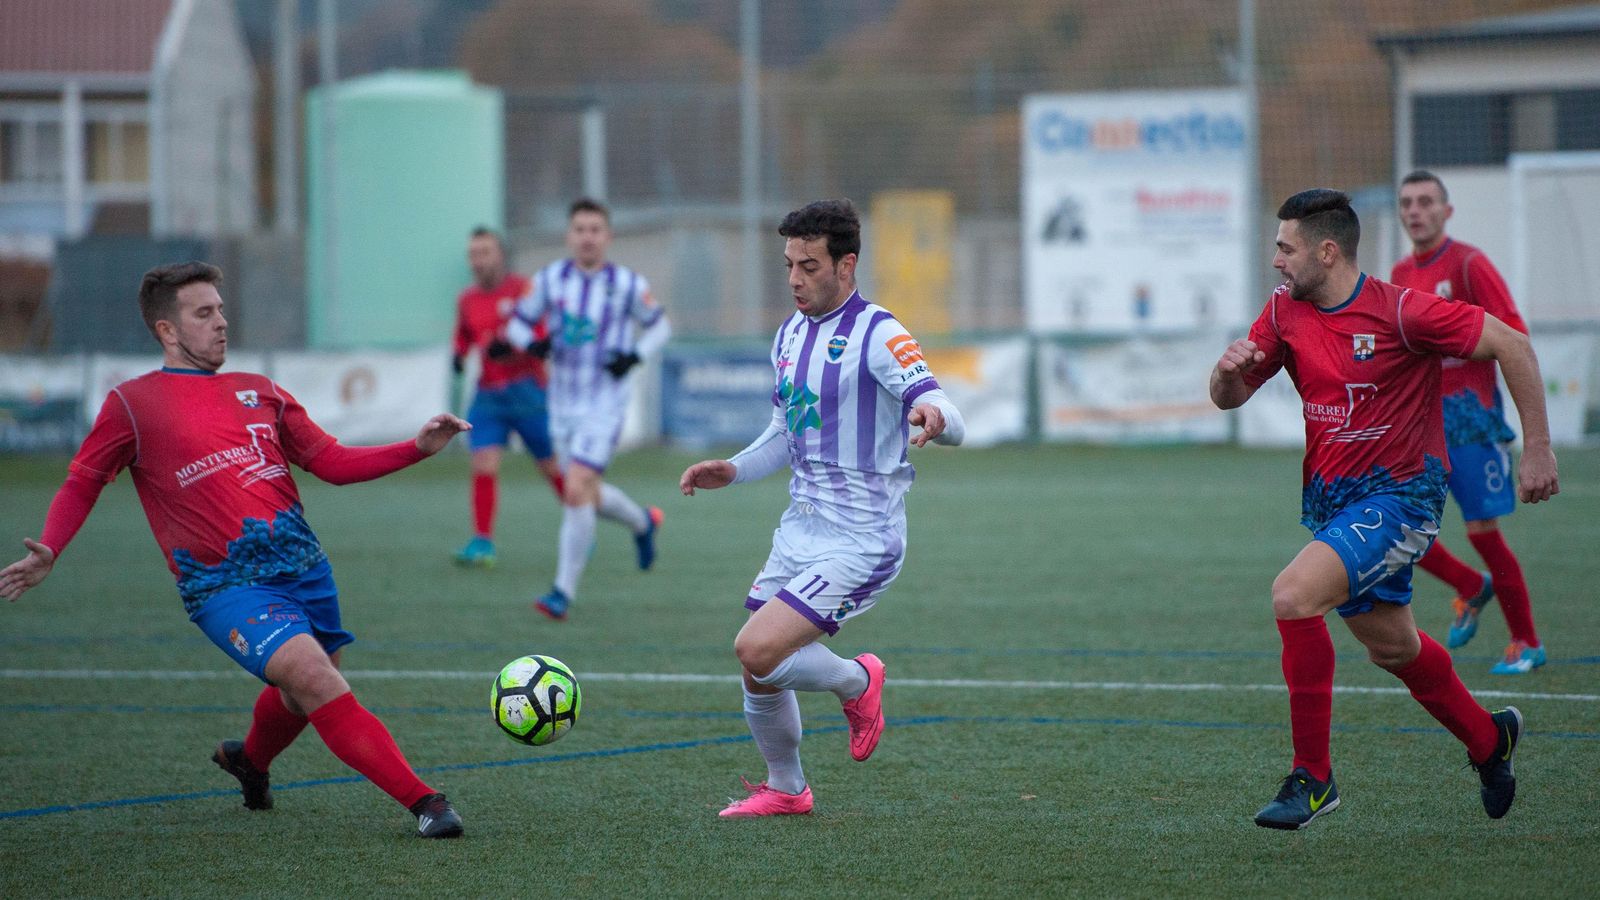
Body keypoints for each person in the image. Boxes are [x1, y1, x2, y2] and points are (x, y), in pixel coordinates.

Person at [0, 262, 471, 838]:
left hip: (306, 570)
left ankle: (249, 760)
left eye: (221, 309)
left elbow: (331, 462)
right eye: (204, 313)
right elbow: (83, 480)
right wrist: (50, 546)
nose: (222, 322)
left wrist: (417, 448)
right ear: (167, 331)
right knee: (314, 679)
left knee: (302, 695)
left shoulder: (261, 390)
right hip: (223, 587)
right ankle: (428, 803)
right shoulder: (133, 404)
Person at [1209, 189, 1558, 830]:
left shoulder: (1402, 313)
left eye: (1286, 248)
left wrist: (1536, 447)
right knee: (1394, 649)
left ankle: (1314, 779)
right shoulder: (1285, 311)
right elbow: (1230, 398)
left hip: (1402, 498)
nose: (1277, 261)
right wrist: (1227, 372)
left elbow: (1511, 343)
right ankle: (1490, 741)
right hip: (1334, 502)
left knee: (1292, 595)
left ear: (1327, 250)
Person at [678, 199, 965, 817]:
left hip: (862, 537)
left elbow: (949, 410)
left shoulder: (879, 332)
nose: (794, 279)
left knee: (756, 650)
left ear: (846, 263)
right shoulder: (787, 335)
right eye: (788, 265)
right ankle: (786, 789)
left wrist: (934, 417)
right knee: (759, 671)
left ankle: (859, 680)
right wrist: (733, 468)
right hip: (800, 528)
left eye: (808, 266)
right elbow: (785, 431)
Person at [1390, 171, 1544, 674]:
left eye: (1426, 201)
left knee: (1482, 533)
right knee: (1396, 526)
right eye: (1407, 202)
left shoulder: (1469, 263)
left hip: (1472, 422)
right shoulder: (1398, 274)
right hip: (1421, 423)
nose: (1416, 210)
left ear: (1446, 211)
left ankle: (1526, 641)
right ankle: (1470, 586)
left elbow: (1514, 335)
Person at [501, 198, 671, 620]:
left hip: (605, 403)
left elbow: (660, 325)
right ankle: (642, 523)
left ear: (608, 236)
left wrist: (634, 355)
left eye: (595, 229)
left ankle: (561, 592)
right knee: (586, 493)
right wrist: (532, 343)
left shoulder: (627, 283)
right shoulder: (550, 280)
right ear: (569, 236)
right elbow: (517, 323)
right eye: (580, 229)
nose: (588, 237)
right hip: (560, 403)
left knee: (575, 487)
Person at [451, 226, 564, 567]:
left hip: (527, 391)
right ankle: (483, 542)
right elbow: (463, 335)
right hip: (488, 395)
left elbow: (543, 335)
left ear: (500, 255)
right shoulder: (467, 299)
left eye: (484, 252)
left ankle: (579, 524)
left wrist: (515, 346)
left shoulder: (523, 290)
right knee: (483, 463)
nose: (477, 261)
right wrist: (458, 354)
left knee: (550, 467)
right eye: (473, 254)